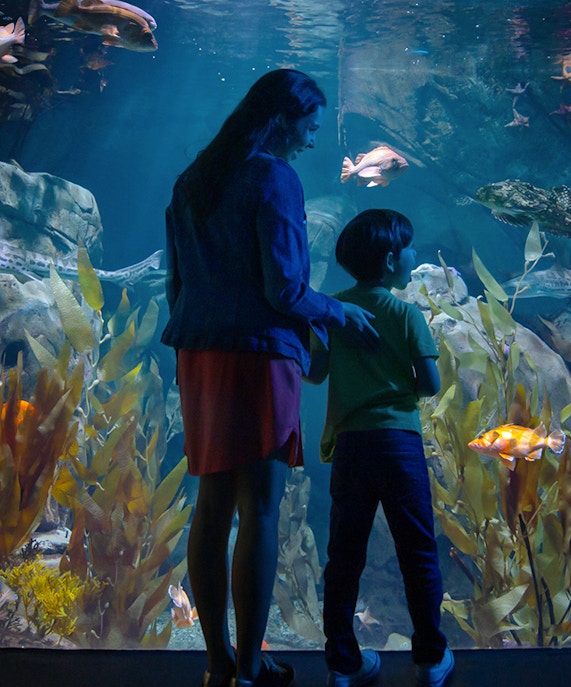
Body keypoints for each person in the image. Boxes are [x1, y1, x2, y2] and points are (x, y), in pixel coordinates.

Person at [162, 69, 379, 687]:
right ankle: (252, 667)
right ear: (283, 119)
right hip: (258, 355)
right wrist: (338, 313)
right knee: (259, 508)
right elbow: (284, 288)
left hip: (199, 354)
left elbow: (176, 285)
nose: (312, 140)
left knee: (211, 506)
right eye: (310, 126)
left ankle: (218, 662)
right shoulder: (274, 179)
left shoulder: (191, 181)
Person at [306, 209, 454, 687]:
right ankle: (429, 658)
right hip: (399, 445)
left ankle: (343, 664)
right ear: (391, 260)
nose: (414, 254)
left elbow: (314, 373)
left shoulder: (333, 312)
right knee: (418, 549)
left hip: (352, 446)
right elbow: (430, 384)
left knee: (344, 556)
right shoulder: (407, 314)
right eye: (409, 248)